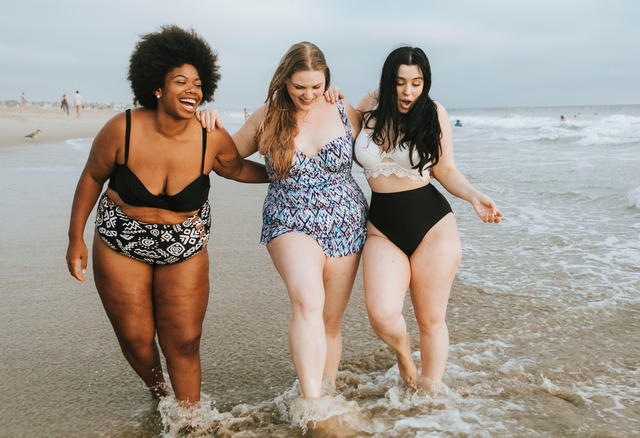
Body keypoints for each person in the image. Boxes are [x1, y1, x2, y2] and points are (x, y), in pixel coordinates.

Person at [66, 25, 268, 406]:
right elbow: (92, 177)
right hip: (120, 240)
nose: (192, 90)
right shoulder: (121, 129)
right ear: (157, 87)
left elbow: (238, 169)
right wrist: (75, 237)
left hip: (184, 244)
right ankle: (161, 395)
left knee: (185, 340)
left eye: (197, 83)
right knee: (135, 338)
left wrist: (283, 173)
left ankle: (189, 418)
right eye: (180, 81)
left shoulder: (211, 138)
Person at [200, 42, 367, 401]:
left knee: (329, 322)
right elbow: (226, 159)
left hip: (346, 222)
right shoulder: (268, 115)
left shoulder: (343, 109)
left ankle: (328, 390)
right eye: (299, 86)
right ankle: (313, 405)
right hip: (288, 218)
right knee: (308, 300)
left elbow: (382, 142)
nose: (308, 95)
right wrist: (210, 124)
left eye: (316, 86)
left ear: (327, 81)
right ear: (284, 81)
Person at [354, 46, 501, 390]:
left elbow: (446, 169)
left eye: (417, 83)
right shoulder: (368, 109)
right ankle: (404, 354)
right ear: (388, 81)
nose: (408, 92)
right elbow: (328, 119)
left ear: (426, 83)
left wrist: (473, 196)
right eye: (400, 82)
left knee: (431, 319)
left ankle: (430, 396)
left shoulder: (434, 112)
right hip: (381, 230)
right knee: (382, 313)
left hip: (432, 227)